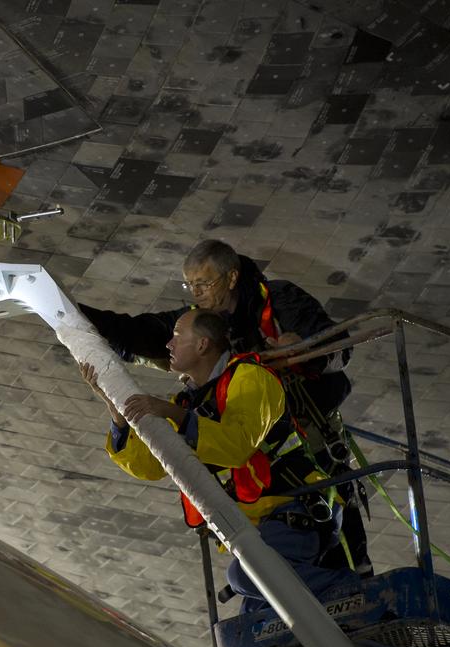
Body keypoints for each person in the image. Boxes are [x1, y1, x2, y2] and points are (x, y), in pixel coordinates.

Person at [79, 238, 368, 571]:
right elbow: (138, 332)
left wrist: (302, 350)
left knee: (341, 548)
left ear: (231, 278)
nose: (196, 293)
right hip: (260, 474)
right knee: (269, 572)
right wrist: (70, 313)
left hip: (306, 444)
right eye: (190, 285)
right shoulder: (196, 322)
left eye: (203, 283)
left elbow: (338, 348)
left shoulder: (279, 301)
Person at [80, 309, 356, 613]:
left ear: (202, 345)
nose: (168, 345)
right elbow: (149, 465)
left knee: (244, 577)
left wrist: (174, 415)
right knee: (252, 632)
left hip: (294, 512)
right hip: (258, 529)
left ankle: (356, 594)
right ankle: (349, 609)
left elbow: (236, 446)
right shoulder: (187, 404)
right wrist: (114, 407)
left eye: (176, 336)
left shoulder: (251, 378)